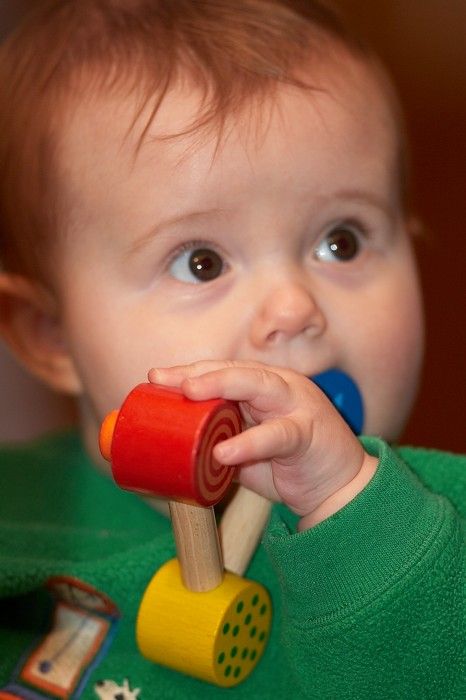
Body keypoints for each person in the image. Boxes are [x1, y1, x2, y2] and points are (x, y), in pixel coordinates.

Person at [0, 1, 464, 698]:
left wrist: (351, 514)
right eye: (203, 263)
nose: (293, 308)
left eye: (342, 240)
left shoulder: (433, 530)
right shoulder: (20, 504)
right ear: (52, 335)